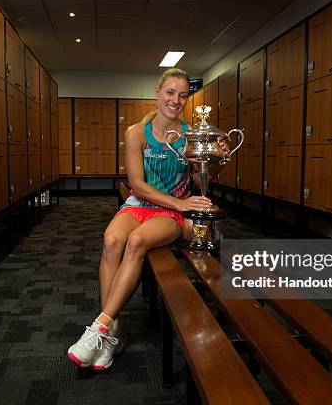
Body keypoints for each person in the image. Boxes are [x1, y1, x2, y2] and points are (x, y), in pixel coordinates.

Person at [67, 68, 228, 372]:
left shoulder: (189, 135)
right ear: (157, 93)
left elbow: (199, 178)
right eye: (170, 92)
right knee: (112, 239)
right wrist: (179, 202)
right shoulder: (136, 133)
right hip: (140, 203)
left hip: (170, 214)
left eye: (182, 95)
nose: (176, 100)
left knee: (137, 241)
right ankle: (111, 334)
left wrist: (217, 159)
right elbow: (137, 185)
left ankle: (100, 328)